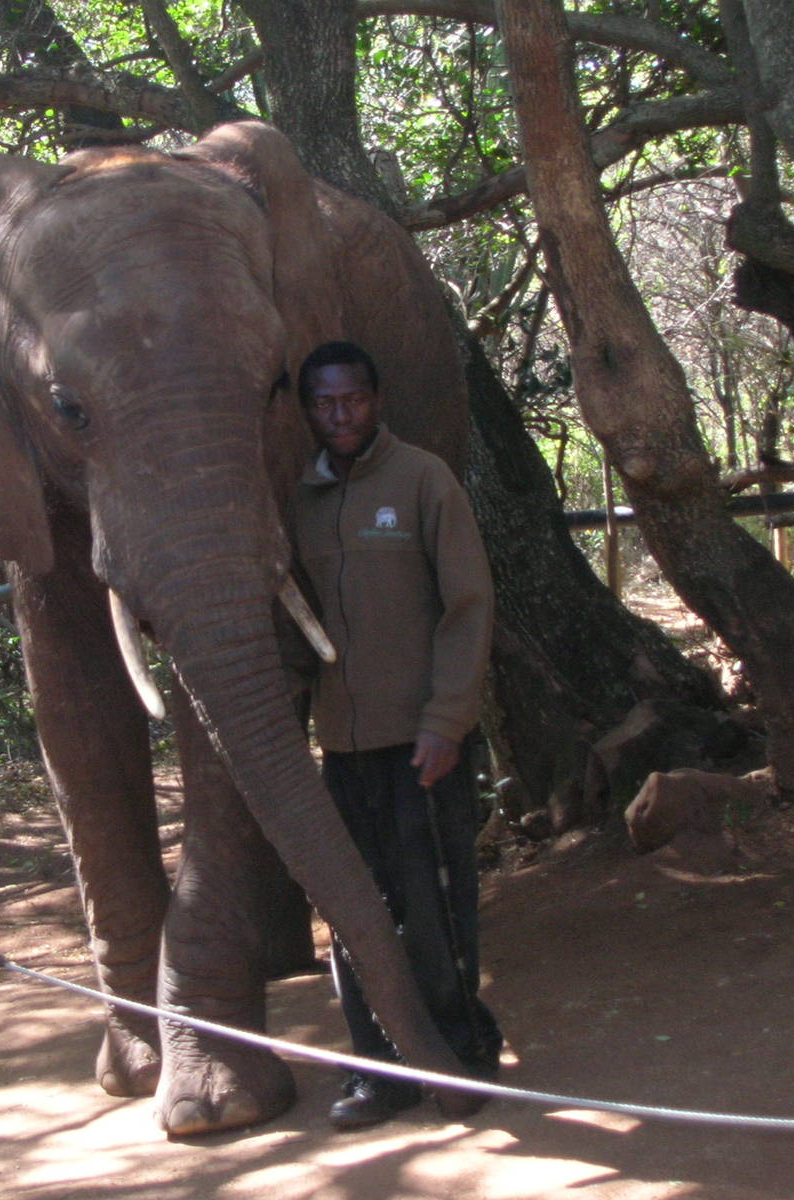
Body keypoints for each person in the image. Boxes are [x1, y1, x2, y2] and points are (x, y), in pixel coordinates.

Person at [291, 340, 503, 1130]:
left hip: (422, 744)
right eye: (324, 403)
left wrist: (447, 723)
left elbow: (468, 607)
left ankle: (461, 1051)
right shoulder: (302, 499)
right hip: (343, 748)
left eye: (352, 399)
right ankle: (377, 1068)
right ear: (308, 411)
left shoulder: (422, 480)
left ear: (376, 400)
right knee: (357, 911)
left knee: (434, 905)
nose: (339, 414)